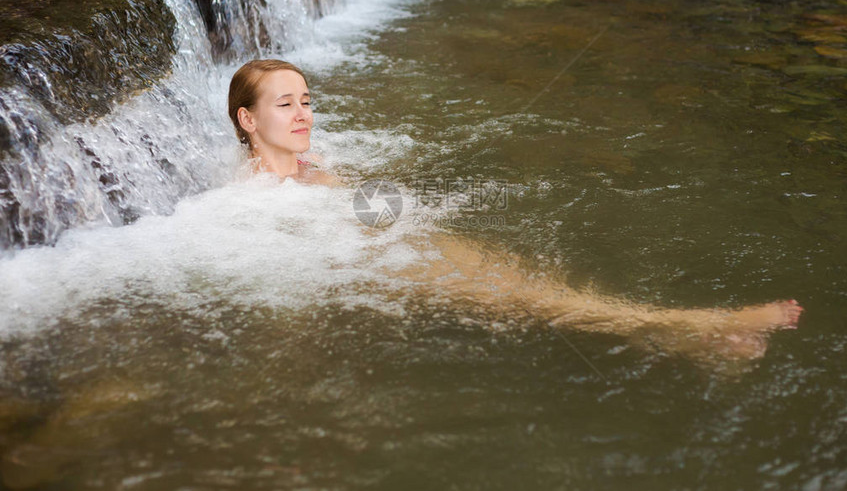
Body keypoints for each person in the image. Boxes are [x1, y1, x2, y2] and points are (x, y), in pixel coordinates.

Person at [228, 59, 803, 364]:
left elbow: (356, 206)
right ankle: (699, 325)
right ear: (248, 120)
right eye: (285, 104)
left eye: (307, 101)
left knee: (537, 285)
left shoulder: (306, 166)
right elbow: (299, 260)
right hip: (385, 267)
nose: (303, 114)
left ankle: (684, 343)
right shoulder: (257, 195)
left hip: (402, 249)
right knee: (537, 298)